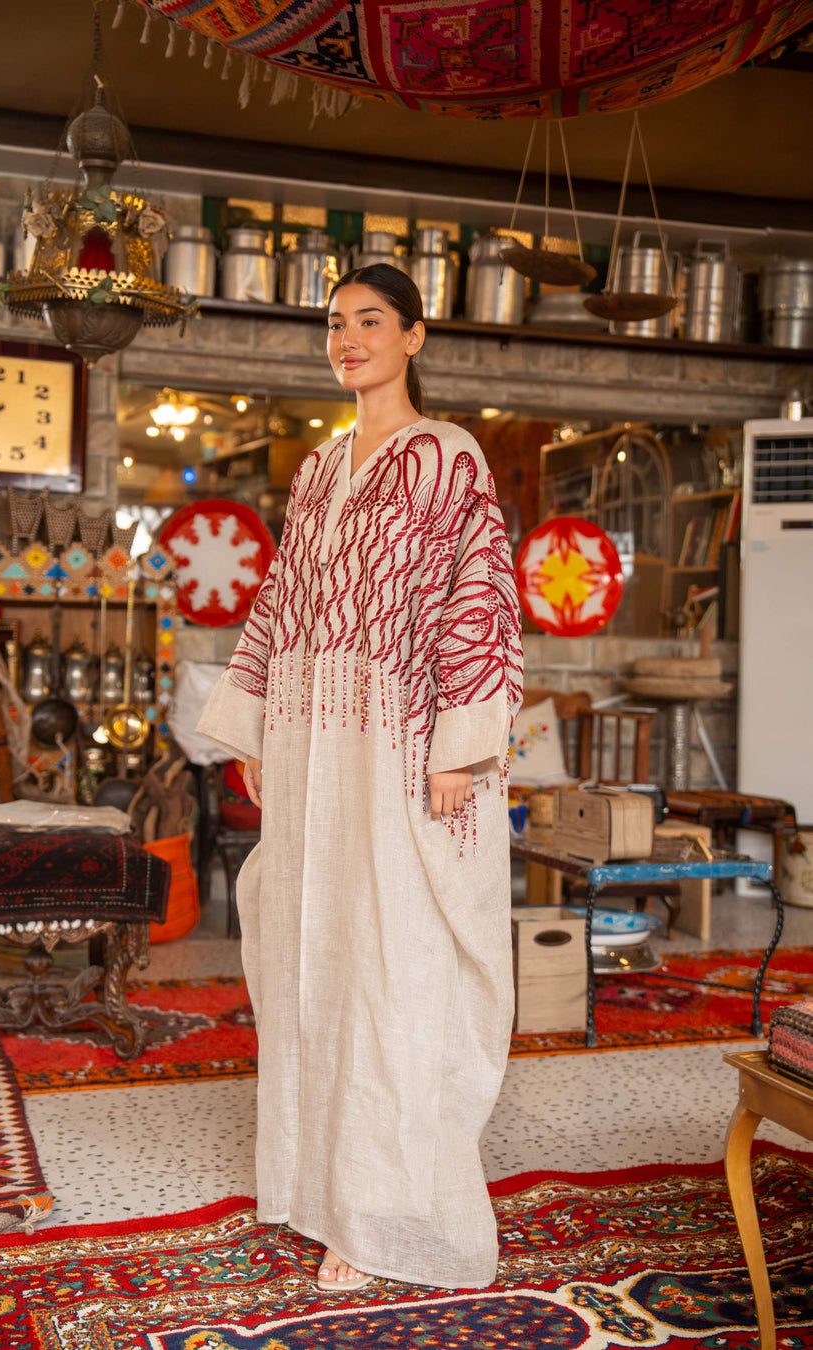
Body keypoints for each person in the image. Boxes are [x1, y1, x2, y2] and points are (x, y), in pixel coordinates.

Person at [198, 263, 523, 1294]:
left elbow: (480, 596)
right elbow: (282, 596)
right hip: (313, 745)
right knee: (317, 958)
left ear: (414, 336)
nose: (347, 339)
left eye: (369, 321)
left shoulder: (449, 457)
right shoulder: (317, 469)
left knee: (398, 963)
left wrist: (458, 747)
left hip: (401, 743)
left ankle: (387, 1210)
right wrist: (257, 724)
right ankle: (319, 1188)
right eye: (335, 323)